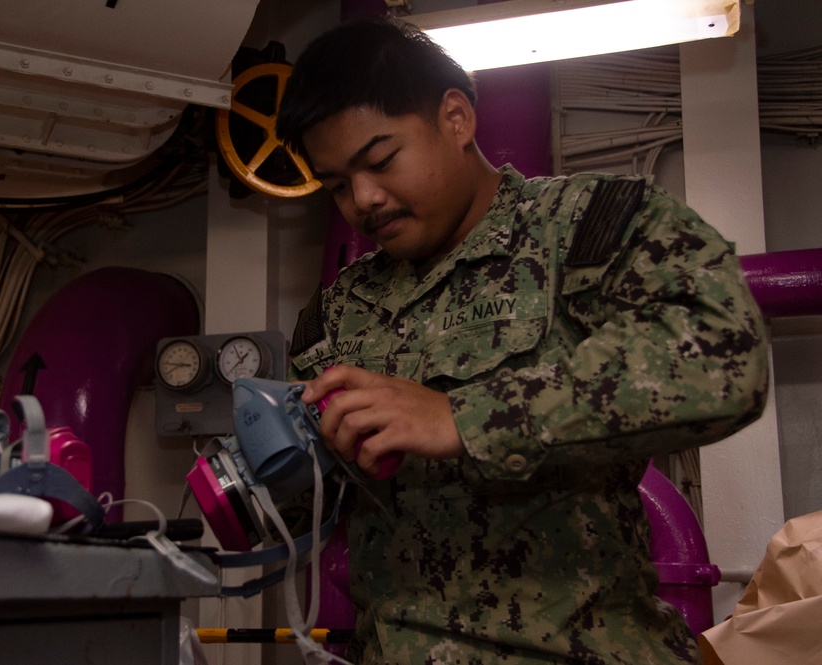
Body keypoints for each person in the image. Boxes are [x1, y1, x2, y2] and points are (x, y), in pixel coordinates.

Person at [273, 17, 770, 665]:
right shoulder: (338, 313)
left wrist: (463, 415)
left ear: (455, 118)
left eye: (381, 160)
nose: (363, 198)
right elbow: (310, 504)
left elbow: (724, 356)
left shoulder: (588, 230)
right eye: (338, 184)